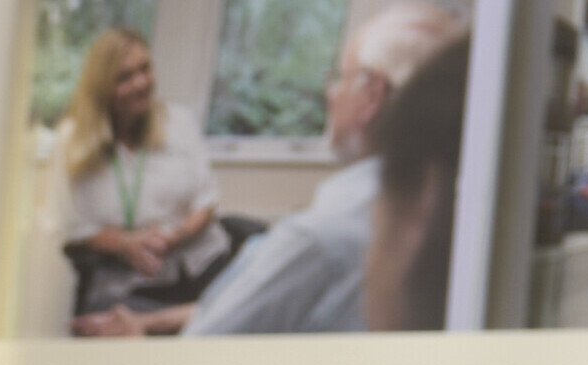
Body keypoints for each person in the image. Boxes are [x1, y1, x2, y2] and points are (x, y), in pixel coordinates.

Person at [106, 0, 463, 338]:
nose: (331, 94)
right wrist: (152, 321)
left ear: (371, 96)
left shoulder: (315, 240)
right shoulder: (444, 208)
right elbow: (255, 308)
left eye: (340, 77)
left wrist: (132, 348)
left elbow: (196, 361)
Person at [41, 27, 227, 332]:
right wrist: (125, 243)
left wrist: (173, 236)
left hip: (200, 265)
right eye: (125, 77)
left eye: (145, 69)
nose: (141, 83)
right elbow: (70, 228)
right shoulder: (72, 140)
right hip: (128, 283)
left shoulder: (179, 122)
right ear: (102, 87)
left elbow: (206, 202)